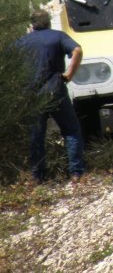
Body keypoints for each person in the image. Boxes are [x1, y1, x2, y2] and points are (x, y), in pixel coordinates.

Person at [17, 9, 86, 183]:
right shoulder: (58, 36)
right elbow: (77, 50)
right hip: (56, 90)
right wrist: (69, 75)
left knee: (36, 136)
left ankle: (38, 177)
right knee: (71, 130)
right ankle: (76, 173)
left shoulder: (21, 42)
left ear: (32, 24)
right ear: (48, 21)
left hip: (32, 94)